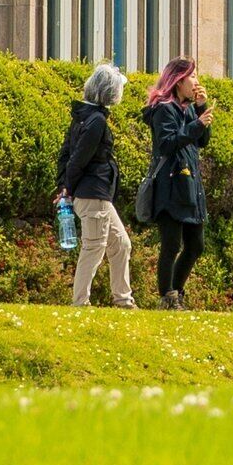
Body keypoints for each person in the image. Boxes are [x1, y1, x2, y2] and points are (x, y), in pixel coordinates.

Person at [55, 61, 134, 308]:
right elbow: (78, 158)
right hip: (93, 193)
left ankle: (123, 299)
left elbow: (66, 154)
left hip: (97, 194)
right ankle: (80, 302)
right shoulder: (97, 120)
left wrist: (63, 186)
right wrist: (66, 188)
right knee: (94, 247)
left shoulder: (82, 116)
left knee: (121, 243)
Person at [137, 59, 212, 308]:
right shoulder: (163, 109)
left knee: (196, 245)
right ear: (178, 81)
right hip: (169, 185)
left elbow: (201, 142)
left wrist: (201, 110)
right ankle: (166, 296)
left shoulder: (188, 109)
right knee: (171, 244)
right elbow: (167, 143)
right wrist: (196, 124)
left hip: (190, 184)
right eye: (192, 77)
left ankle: (177, 293)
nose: (197, 82)